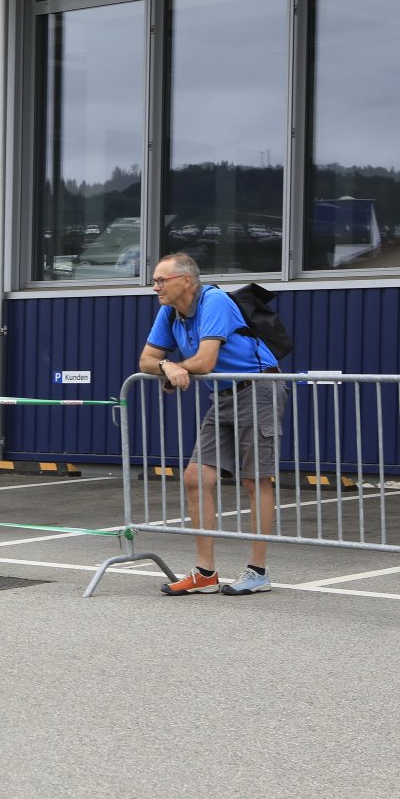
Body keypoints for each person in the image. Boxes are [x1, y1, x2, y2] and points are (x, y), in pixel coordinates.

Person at [139, 253, 284, 596]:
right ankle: (205, 573)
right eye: (154, 281)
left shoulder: (214, 301)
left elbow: (205, 361)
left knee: (254, 479)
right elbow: (147, 359)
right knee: (196, 477)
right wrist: (167, 367)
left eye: (161, 280)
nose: (155, 287)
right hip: (221, 394)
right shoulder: (169, 312)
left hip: (258, 388)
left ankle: (258, 571)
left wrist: (174, 368)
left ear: (186, 281)